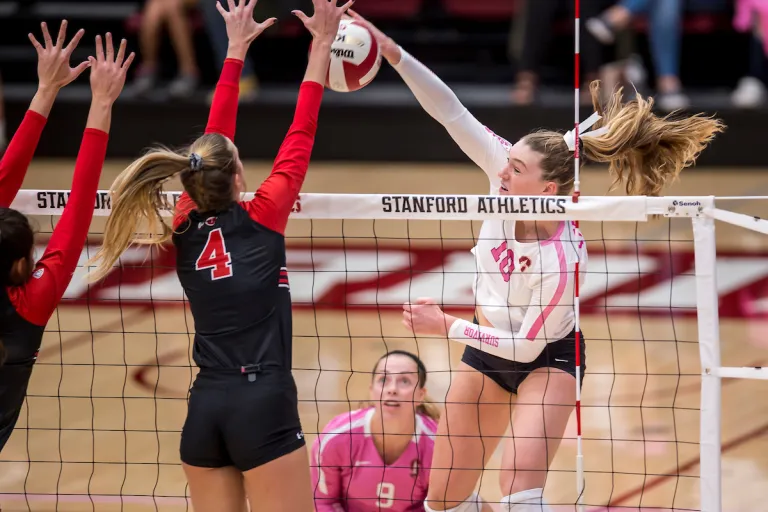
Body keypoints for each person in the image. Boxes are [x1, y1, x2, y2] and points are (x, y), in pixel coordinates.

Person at [351, 11, 724, 512]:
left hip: (547, 357)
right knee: (442, 501)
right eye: (507, 161)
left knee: (518, 492)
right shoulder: (502, 172)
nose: (503, 170)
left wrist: (446, 326)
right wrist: (393, 52)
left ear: (546, 189)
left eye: (516, 168)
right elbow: (450, 111)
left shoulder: (563, 257)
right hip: (486, 354)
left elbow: (526, 348)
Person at [85, 1, 350, 510]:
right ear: (236, 177)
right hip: (263, 401)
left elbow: (216, 141)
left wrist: (233, 51)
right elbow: (302, 130)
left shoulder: (183, 219)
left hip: (205, 407)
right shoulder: (263, 213)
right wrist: (319, 45)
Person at [0, 22, 133, 451]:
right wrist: (102, 101)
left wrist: (45, 90)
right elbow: (79, 206)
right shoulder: (30, 303)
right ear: (22, 265)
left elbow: (6, 178)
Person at [311, 350, 440, 512]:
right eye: (383, 379)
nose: (392, 389)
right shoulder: (336, 438)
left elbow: (440, 508)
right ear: (372, 391)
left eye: (405, 381)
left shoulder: (438, 446)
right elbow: (324, 502)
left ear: (421, 395)